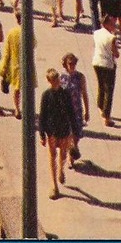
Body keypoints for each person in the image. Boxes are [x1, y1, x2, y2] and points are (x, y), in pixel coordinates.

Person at [38, 67, 77, 199]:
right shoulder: (46, 95)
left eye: (57, 79)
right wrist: (42, 134)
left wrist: (75, 129)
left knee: (63, 154)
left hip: (64, 128)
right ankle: (54, 185)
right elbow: (42, 115)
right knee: (52, 155)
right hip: (52, 130)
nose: (56, 82)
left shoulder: (65, 94)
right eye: (54, 80)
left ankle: (61, 170)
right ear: (49, 81)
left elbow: (71, 112)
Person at [60, 52, 89, 161]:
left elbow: (84, 94)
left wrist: (87, 111)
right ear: (65, 64)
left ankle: (73, 150)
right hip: (65, 111)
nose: (72, 66)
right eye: (70, 63)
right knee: (68, 135)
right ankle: (70, 158)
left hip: (77, 109)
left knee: (76, 136)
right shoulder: (61, 77)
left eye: (73, 63)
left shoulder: (80, 77)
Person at [91, 14, 120, 124]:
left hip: (96, 61)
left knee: (101, 86)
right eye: (112, 24)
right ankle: (107, 117)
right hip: (107, 64)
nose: (114, 25)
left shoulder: (96, 33)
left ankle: (100, 107)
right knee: (109, 90)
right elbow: (116, 54)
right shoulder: (111, 37)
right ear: (107, 24)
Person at [0, 12, 23, 118]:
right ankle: (21, 108)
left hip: (14, 63)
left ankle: (17, 108)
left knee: (17, 88)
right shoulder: (28, 32)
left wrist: (5, 65)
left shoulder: (12, 32)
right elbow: (34, 44)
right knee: (24, 87)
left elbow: (7, 51)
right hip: (25, 64)